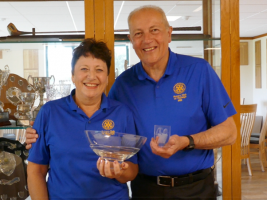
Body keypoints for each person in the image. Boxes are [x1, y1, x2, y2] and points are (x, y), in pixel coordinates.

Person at [26, 5, 237, 200]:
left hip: (196, 188)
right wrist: (37, 133)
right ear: (131, 40)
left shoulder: (199, 71)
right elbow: (98, 115)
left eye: (154, 30)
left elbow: (230, 132)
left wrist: (186, 141)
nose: (147, 39)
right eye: (138, 34)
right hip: (146, 190)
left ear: (169, 33)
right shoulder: (123, 85)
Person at [27, 38, 138, 200]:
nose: (91, 76)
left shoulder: (123, 113)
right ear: (73, 75)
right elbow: (35, 171)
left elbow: (132, 170)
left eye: (99, 70)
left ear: (107, 76)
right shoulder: (50, 112)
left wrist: (119, 171)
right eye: (84, 69)